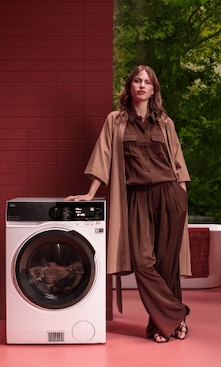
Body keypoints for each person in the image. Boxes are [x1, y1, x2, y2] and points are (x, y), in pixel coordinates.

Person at [65, 65, 192, 343]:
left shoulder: (165, 122)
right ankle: (177, 313)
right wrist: (90, 194)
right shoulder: (115, 120)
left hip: (169, 195)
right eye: (137, 80)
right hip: (136, 197)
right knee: (143, 261)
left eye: (147, 81)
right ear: (130, 86)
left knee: (167, 264)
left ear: (153, 89)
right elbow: (104, 155)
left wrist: (182, 198)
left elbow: (178, 163)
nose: (142, 85)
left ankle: (160, 325)